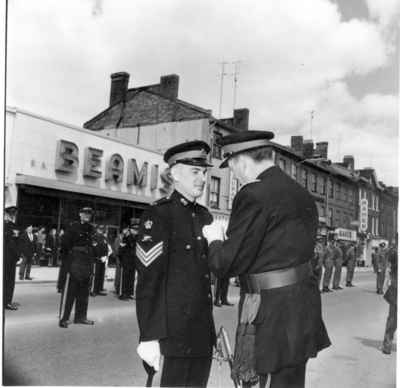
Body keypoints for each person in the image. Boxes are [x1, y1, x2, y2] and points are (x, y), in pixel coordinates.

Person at [203, 131, 330, 388]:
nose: (236, 177)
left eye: (233, 169)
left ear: (242, 161)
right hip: (302, 306)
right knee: (291, 382)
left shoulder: (253, 195)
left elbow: (226, 264)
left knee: (258, 382)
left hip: (269, 312)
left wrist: (214, 239)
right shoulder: (301, 194)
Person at [135, 140, 216, 387]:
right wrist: (148, 336)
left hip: (202, 331)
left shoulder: (205, 216)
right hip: (174, 333)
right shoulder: (160, 215)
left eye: (204, 172)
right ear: (174, 174)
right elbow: (150, 281)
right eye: (195, 171)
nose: (202, 178)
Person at [59, 207, 97, 328]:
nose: (87, 216)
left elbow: (94, 245)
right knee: (70, 291)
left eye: (89, 214)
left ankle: (81, 317)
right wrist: (67, 262)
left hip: (87, 263)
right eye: (85, 213)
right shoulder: (73, 227)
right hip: (75, 262)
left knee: (84, 292)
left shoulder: (91, 229)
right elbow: (64, 244)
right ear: (80, 214)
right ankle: (64, 318)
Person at [4, 205, 21, 310]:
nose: (12, 216)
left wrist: (17, 255)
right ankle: (6, 302)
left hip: (11, 257)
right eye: (11, 214)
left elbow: (17, 242)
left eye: (13, 214)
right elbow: (11, 243)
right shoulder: (5, 225)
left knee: (9, 280)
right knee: (8, 280)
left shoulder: (15, 226)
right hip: (7, 256)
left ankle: (7, 302)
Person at [382, 241, 397, 354]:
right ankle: (387, 343)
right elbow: (389, 268)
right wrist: (386, 282)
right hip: (396, 288)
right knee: (393, 318)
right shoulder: (394, 252)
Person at [90, 225, 108, 297]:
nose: (100, 230)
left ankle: (99, 289)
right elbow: (95, 248)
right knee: (95, 275)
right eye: (99, 229)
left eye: (101, 229)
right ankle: (93, 290)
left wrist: (105, 256)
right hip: (96, 259)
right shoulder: (94, 237)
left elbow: (106, 247)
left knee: (101, 275)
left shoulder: (104, 238)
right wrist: (99, 256)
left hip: (102, 259)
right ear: (97, 229)